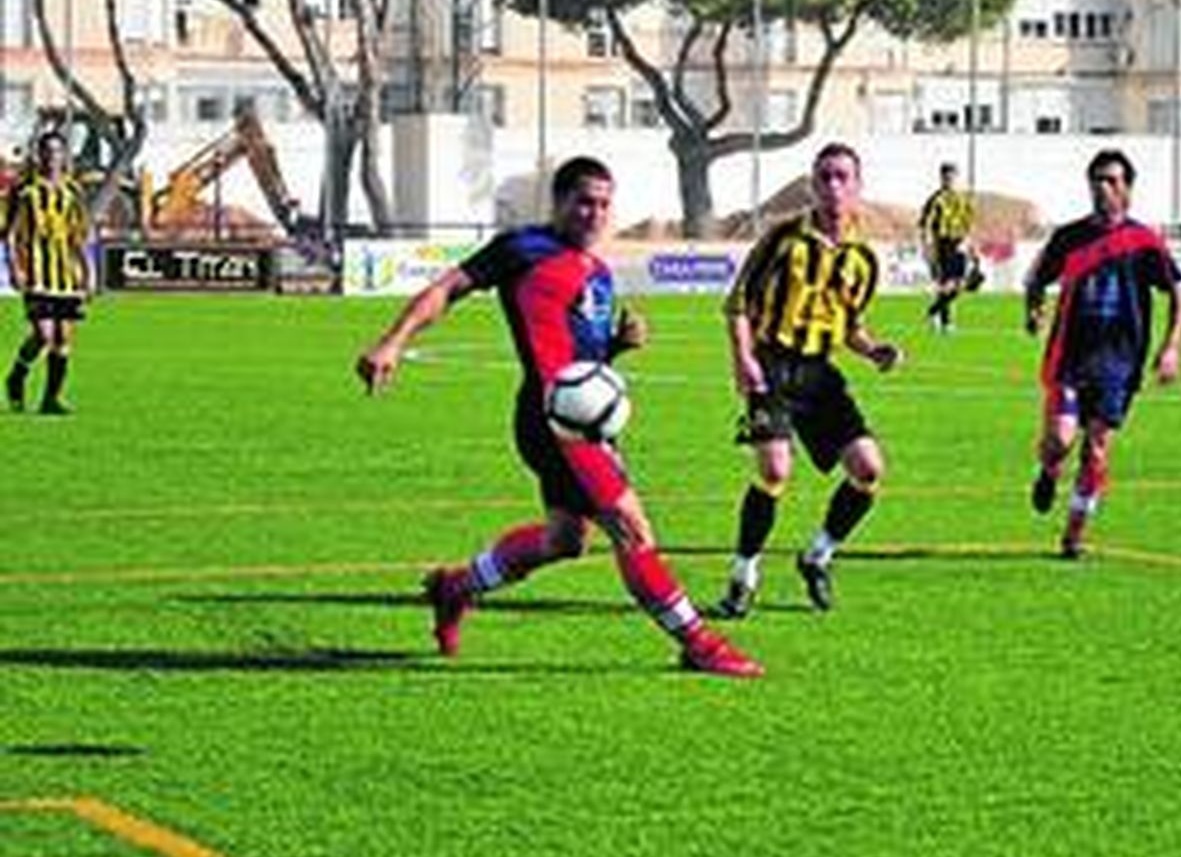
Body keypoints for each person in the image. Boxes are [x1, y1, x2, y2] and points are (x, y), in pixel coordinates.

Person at [355, 156, 762, 678]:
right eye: (584, 202)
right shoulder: (522, 248)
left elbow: (578, 357)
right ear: (560, 202)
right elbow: (445, 290)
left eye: (604, 204)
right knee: (633, 530)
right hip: (553, 420)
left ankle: (455, 587)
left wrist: (615, 346)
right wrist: (393, 341)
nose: (594, 213)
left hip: (577, 417)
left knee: (564, 540)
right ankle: (698, 643)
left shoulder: (599, 272)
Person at [710, 143, 903, 618]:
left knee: (868, 471)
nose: (833, 186)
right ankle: (743, 575)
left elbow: (849, 325)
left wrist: (873, 349)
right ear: (812, 184)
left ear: (858, 186)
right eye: (824, 177)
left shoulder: (863, 258)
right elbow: (736, 304)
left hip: (819, 375)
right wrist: (743, 360)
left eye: (842, 177)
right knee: (775, 470)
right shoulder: (783, 238)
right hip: (772, 364)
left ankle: (817, 556)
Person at [1023, 149, 1181, 559]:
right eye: (1097, 180)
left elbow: (1178, 294)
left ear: (1127, 188)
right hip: (1070, 359)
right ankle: (1047, 471)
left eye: (1112, 180)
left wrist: (1172, 347)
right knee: (1059, 441)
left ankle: (1073, 536)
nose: (1103, 187)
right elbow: (1036, 279)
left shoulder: (1144, 241)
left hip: (1119, 365)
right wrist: (1033, 309)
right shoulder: (1070, 237)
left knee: (1095, 450)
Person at [5, 131, 92, 415]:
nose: (52, 157)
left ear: (65, 155)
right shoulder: (24, 190)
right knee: (43, 335)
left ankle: (50, 400)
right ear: (39, 154)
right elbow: (8, 234)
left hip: (66, 275)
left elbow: (78, 236)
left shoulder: (73, 191)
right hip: (37, 274)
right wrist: (15, 267)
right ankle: (16, 377)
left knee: (63, 338)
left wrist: (88, 273)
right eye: (47, 151)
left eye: (57, 152)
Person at [918, 161, 977, 333]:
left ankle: (933, 311)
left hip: (960, 244)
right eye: (946, 177)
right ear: (941, 178)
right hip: (943, 244)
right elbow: (925, 225)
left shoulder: (963, 199)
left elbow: (968, 224)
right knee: (946, 284)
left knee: (961, 284)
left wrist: (970, 245)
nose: (949, 180)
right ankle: (946, 321)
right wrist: (927, 246)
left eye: (952, 176)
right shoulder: (936, 200)